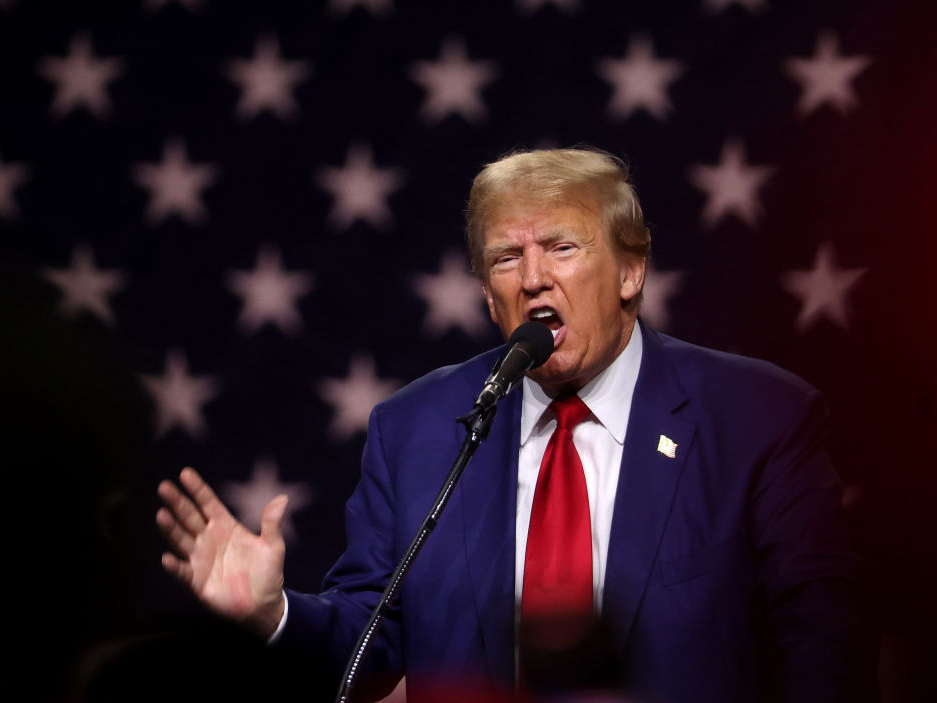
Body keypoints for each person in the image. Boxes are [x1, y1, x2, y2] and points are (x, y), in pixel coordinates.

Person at [156, 148, 862, 702]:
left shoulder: (758, 419)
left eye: (562, 247)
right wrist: (274, 614)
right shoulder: (417, 429)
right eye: (506, 256)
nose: (533, 278)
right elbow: (370, 647)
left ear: (629, 271)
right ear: (490, 295)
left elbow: (825, 661)